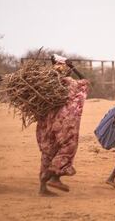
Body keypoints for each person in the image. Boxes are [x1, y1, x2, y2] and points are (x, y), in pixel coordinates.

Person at [37, 54, 89, 196]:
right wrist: (72, 66)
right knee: (68, 146)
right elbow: (85, 82)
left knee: (49, 151)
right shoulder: (68, 82)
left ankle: (43, 188)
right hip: (63, 122)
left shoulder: (45, 84)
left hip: (47, 122)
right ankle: (55, 177)